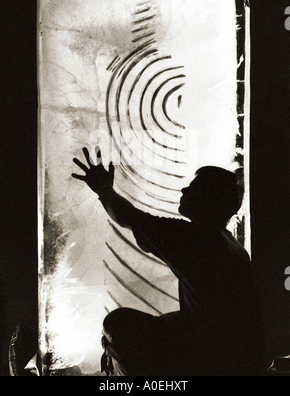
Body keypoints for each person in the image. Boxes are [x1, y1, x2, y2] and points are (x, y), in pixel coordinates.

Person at [72, 146, 266, 376]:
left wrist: (103, 188)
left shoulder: (195, 239)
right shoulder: (230, 245)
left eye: (193, 187)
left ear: (208, 198)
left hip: (213, 362)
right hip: (239, 361)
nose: (184, 190)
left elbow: (128, 217)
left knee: (117, 324)